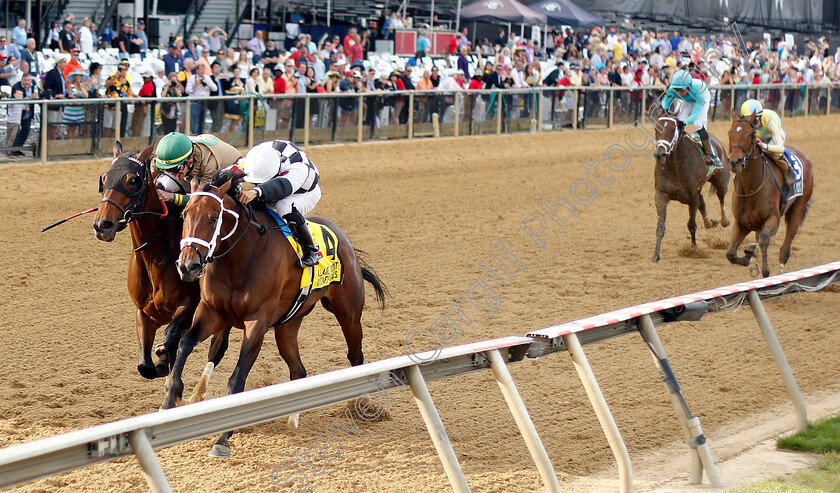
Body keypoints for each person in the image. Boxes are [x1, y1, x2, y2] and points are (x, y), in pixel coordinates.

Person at [237, 140, 322, 267]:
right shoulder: (257, 157)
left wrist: (255, 191)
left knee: (284, 207)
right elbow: (233, 170)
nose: (256, 184)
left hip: (303, 192)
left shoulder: (298, 168)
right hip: (278, 185)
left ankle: (311, 250)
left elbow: (282, 186)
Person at [153, 132, 243, 205]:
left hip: (229, 169)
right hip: (197, 167)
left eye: (177, 168)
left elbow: (200, 198)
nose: (173, 174)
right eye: (167, 169)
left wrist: (171, 197)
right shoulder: (161, 156)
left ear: (190, 158)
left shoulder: (209, 164)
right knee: (167, 183)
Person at [660, 68, 720, 170]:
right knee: (676, 122)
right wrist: (664, 109)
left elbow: (696, 113)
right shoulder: (674, 89)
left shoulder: (698, 90)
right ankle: (674, 149)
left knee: (698, 125)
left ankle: (711, 155)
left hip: (701, 99)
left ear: (688, 87)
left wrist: (685, 122)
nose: (678, 92)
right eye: (676, 90)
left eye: (680, 90)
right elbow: (666, 101)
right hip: (686, 101)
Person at [739, 99, 793, 186]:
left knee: (776, 155)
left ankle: (787, 174)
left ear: (760, 117)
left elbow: (780, 149)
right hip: (759, 138)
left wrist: (763, 146)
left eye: (754, 120)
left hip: (772, 137)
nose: (752, 124)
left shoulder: (770, 120)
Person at [103, 60, 132, 137]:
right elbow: (107, 85)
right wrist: (116, 76)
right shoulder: (112, 78)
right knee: (107, 126)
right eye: (121, 69)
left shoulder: (126, 82)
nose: (123, 71)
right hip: (109, 106)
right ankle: (104, 142)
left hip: (119, 108)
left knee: (115, 127)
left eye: (124, 69)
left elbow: (128, 93)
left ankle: (112, 143)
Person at [185, 63, 214, 134]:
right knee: (194, 122)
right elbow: (187, 90)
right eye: (200, 69)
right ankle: (193, 135)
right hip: (195, 102)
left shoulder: (207, 78)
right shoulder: (192, 78)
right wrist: (196, 84)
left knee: (202, 122)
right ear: (197, 70)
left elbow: (215, 88)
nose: (202, 71)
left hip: (204, 102)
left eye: (203, 69)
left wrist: (207, 84)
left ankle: (200, 135)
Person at [63, 68, 88, 139]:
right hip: (71, 109)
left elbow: (86, 95)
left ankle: (73, 142)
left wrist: (82, 87)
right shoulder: (70, 86)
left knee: (75, 128)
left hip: (78, 109)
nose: (78, 77)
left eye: (80, 76)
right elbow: (69, 94)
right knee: (70, 128)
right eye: (76, 76)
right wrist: (76, 95)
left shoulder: (82, 87)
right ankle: (69, 142)